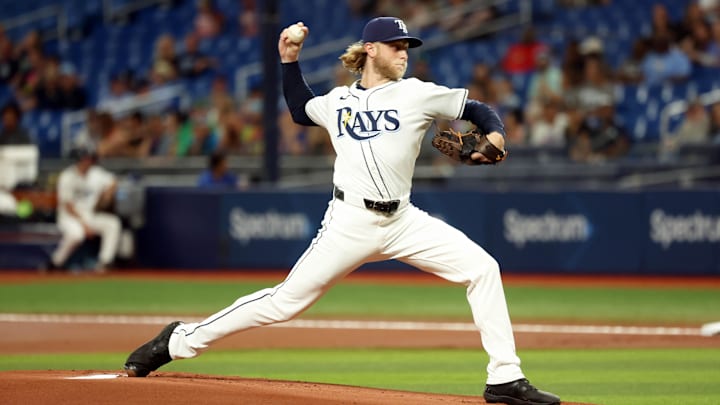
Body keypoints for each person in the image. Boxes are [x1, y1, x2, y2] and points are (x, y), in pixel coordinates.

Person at [123, 17, 561, 405]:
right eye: (396, 46)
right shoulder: (336, 102)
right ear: (371, 49)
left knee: (483, 268)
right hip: (349, 222)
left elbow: (479, 110)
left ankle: (504, 377)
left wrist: (496, 138)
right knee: (284, 304)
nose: (403, 53)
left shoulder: (418, 93)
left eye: (407, 47)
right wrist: (288, 59)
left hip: (404, 220)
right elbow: (299, 109)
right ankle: (179, 340)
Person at [49, 147, 121, 273]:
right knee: (77, 235)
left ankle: (105, 262)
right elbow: (68, 206)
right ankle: (55, 263)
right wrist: (85, 225)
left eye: (89, 159)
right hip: (69, 217)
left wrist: (107, 193)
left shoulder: (96, 173)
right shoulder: (67, 176)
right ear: (78, 160)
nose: (87, 162)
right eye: (84, 159)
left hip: (90, 215)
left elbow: (113, 181)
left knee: (112, 224)